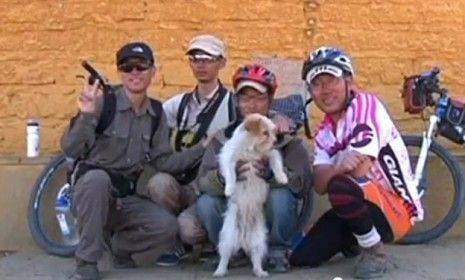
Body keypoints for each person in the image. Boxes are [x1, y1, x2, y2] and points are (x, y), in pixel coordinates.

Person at [62, 42, 208, 280]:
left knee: (168, 227)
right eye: (127, 67)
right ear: (120, 72)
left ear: (153, 71)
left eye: (141, 66)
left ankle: (119, 247)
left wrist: (202, 148)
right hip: (92, 195)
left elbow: (163, 162)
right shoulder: (102, 103)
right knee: (97, 179)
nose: (135, 73)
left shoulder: (157, 113)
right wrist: (86, 115)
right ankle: (87, 263)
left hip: (125, 197)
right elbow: (71, 147)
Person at [288, 46, 424, 279]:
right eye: (317, 83)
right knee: (300, 258)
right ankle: (354, 240)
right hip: (359, 202)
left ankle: (375, 251)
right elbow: (319, 184)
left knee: (340, 184)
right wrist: (339, 166)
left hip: (396, 210)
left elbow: (359, 169)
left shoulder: (366, 106)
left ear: (348, 80)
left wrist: (334, 169)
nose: (325, 90)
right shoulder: (325, 131)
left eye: (331, 79)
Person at [195, 64, 312, 273]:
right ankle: (231, 253)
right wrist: (225, 178)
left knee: (281, 197)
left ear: (270, 100)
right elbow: (202, 181)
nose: (252, 105)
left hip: (266, 212)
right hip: (237, 208)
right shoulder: (224, 137)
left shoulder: (285, 138)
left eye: (259, 98)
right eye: (245, 98)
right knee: (206, 203)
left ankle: (277, 251)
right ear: (237, 102)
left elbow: (301, 184)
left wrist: (270, 175)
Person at [140, 34, 237, 266]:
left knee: (189, 228)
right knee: (158, 183)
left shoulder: (233, 104)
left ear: (221, 63)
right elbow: (150, 123)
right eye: (195, 58)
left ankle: (209, 241)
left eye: (208, 58)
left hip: (213, 188)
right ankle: (175, 242)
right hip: (182, 182)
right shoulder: (178, 104)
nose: (201, 64)